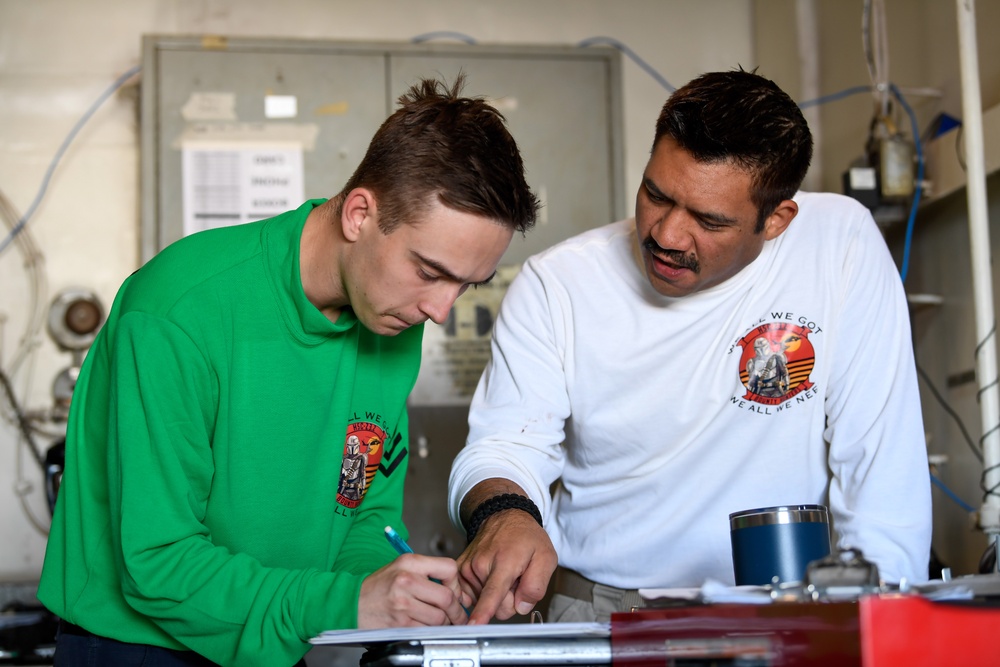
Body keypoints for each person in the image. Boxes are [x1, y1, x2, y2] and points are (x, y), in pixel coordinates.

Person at [38, 75, 539, 666]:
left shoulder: (389, 321)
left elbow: (362, 512)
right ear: (359, 214)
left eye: (466, 284)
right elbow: (157, 562)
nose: (440, 310)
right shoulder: (178, 313)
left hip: (276, 638)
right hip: (136, 647)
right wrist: (344, 602)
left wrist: (404, 592)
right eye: (430, 271)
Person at [447, 68, 931, 624]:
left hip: (786, 612)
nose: (667, 235)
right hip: (599, 610)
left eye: (708, 220)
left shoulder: (839, 245)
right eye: (656, 194)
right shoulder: (558, 284)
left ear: (776, 220)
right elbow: (504, 445)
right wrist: (507, 512)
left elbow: (881, 471)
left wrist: (884, 627)